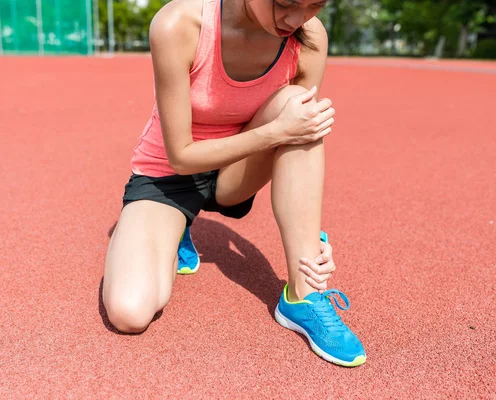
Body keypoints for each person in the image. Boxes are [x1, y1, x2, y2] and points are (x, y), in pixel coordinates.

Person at [103, 0, 366, 367]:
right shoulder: (178, 24)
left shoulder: (310, 37)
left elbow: (301, 138)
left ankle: (303, 296)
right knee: (129, 313)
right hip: (169, 175)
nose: (295, 19)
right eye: (284, 4)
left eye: (314, 6)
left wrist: (313, 241)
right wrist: (277, 131)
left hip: (236, 172)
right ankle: (170, 228)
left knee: (299, 106)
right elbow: (180, 155)